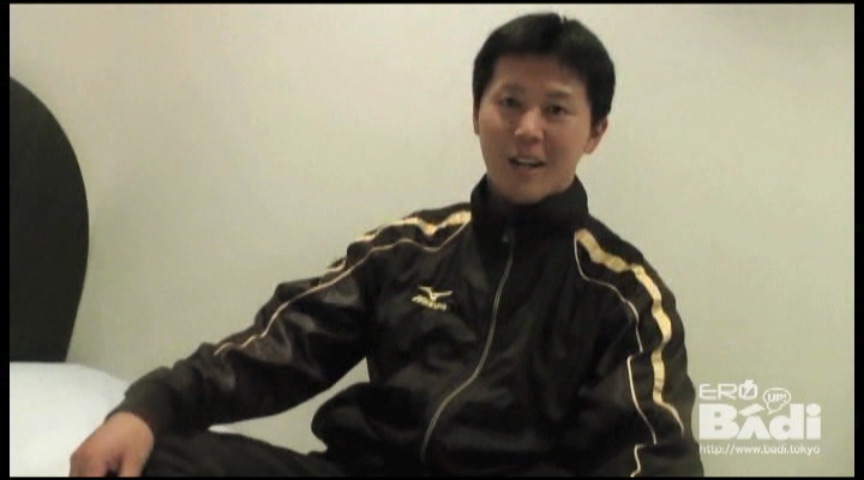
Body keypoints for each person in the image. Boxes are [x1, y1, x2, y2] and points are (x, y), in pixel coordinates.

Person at [70, 11, 704, 477]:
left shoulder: (624, 298)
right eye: (510, 102)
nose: (528, 130)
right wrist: (149, 406)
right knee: (152, 462)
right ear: (476, 112)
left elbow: (654, 456)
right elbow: (278, 348)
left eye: (557, 110)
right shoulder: (407, 250)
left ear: (595, 132)